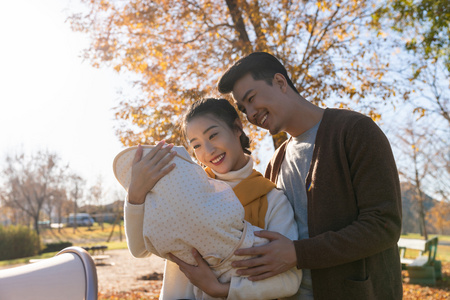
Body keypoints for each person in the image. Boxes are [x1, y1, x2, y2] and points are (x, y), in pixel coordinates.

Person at [216, 52, 403, 299]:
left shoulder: (355, 131)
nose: (250, 114)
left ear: (281, 83)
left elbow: (383, 225)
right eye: (243, 108)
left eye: (251, 98)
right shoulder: (275, 163)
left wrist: (297, 253)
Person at [120, 98, 302, 299]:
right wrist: (136, 194)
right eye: (196, 145)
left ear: (237, 128)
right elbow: (140, 250)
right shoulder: (182, 189)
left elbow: (289, 280)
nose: (207, 151)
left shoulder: (271, 200)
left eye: (213, 135)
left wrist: (220, 290)